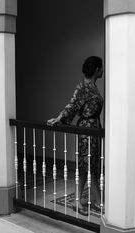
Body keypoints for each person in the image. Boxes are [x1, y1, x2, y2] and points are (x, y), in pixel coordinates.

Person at [47, 56, 104, 216]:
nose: (103, 71)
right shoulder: (83, 87)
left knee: (89, 165)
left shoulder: (92, 86)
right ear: (97, 70)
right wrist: (59, 119)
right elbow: (72, 105)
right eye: (101, 68)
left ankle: (79, 200)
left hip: (93, 128)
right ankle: (97, 201)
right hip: (86, 130)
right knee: (88, 165)